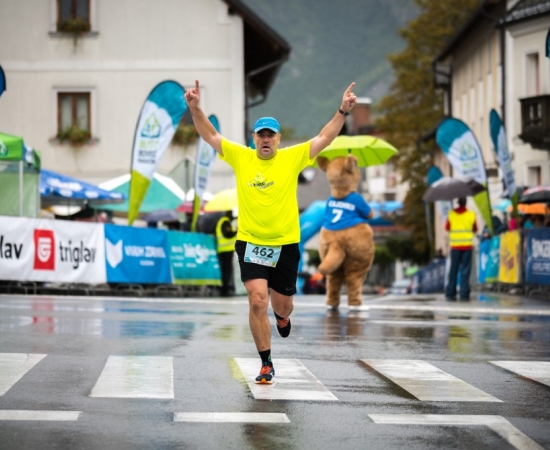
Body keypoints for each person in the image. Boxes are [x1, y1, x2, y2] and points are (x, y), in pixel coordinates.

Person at [185, 79, 357, 384]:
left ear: (278, 139)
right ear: (254, 139)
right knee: (256, 300)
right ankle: (266, 362)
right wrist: (195, 108)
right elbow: (210, 135)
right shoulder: (241, 156)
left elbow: (324, 137)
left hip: (286, 243)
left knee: (282, 304)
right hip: (251, 242)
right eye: (261, 135)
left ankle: (282, 317)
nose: (265, 140)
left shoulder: (292, 157)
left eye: (270, 135)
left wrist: (343, 110)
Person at [445, 197, 477, 301]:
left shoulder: (451, 214)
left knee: (453, 270)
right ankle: (464, 293)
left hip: (455, 247)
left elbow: (447, 228)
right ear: (465, 203)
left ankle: (451, 292)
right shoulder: (471, 215)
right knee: (465, 271)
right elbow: (475, 229)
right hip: (467, 246)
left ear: (458, 203)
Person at [216, 210, 238, 297]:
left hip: (225, 250)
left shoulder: (225, 221)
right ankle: (225, 290)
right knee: (226, 271)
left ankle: (227, 289)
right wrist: (236, 231)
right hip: (225, 251)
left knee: (226, 271)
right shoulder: (225, 222)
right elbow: (227, 234)